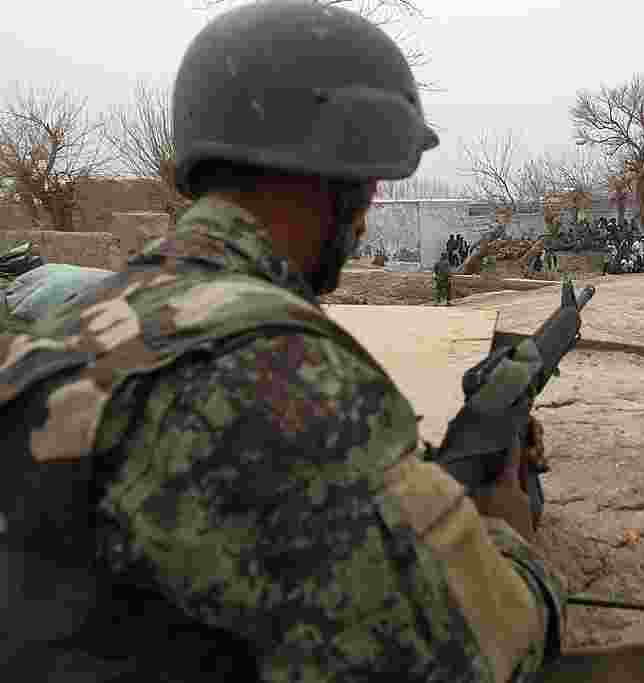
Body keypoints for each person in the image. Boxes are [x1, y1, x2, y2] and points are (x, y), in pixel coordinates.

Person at [0, 3, 564, 682]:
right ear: (345, 179)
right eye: (371, 182)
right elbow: (473, 653)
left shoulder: (63, 325)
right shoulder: (285, 377)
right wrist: (506, 527)